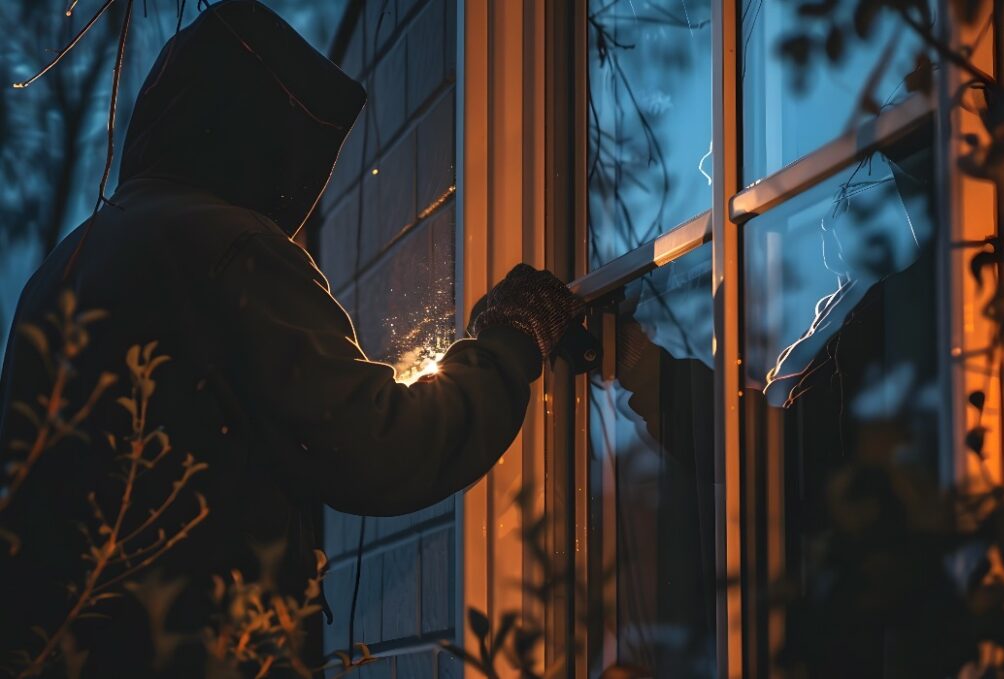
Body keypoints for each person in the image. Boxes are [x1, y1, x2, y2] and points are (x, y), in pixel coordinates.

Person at [0, 1, 580, 675]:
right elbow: (378, 443)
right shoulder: (230, 248)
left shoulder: (64, 266)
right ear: (265, 139)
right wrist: (512, 339)